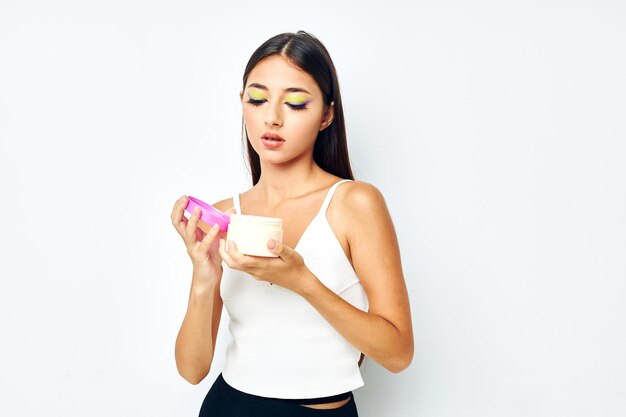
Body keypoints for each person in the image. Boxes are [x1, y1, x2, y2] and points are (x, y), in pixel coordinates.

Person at [170, 31, 413, 417]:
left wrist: (303, 282)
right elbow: (192, 369)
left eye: (296, 103)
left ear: (327, 115)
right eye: (258, 98)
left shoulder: (354, 203)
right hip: (227, 406)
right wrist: (205, 275)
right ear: (242, 104)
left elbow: (398, 353)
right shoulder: (226, 214)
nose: (273, 117)